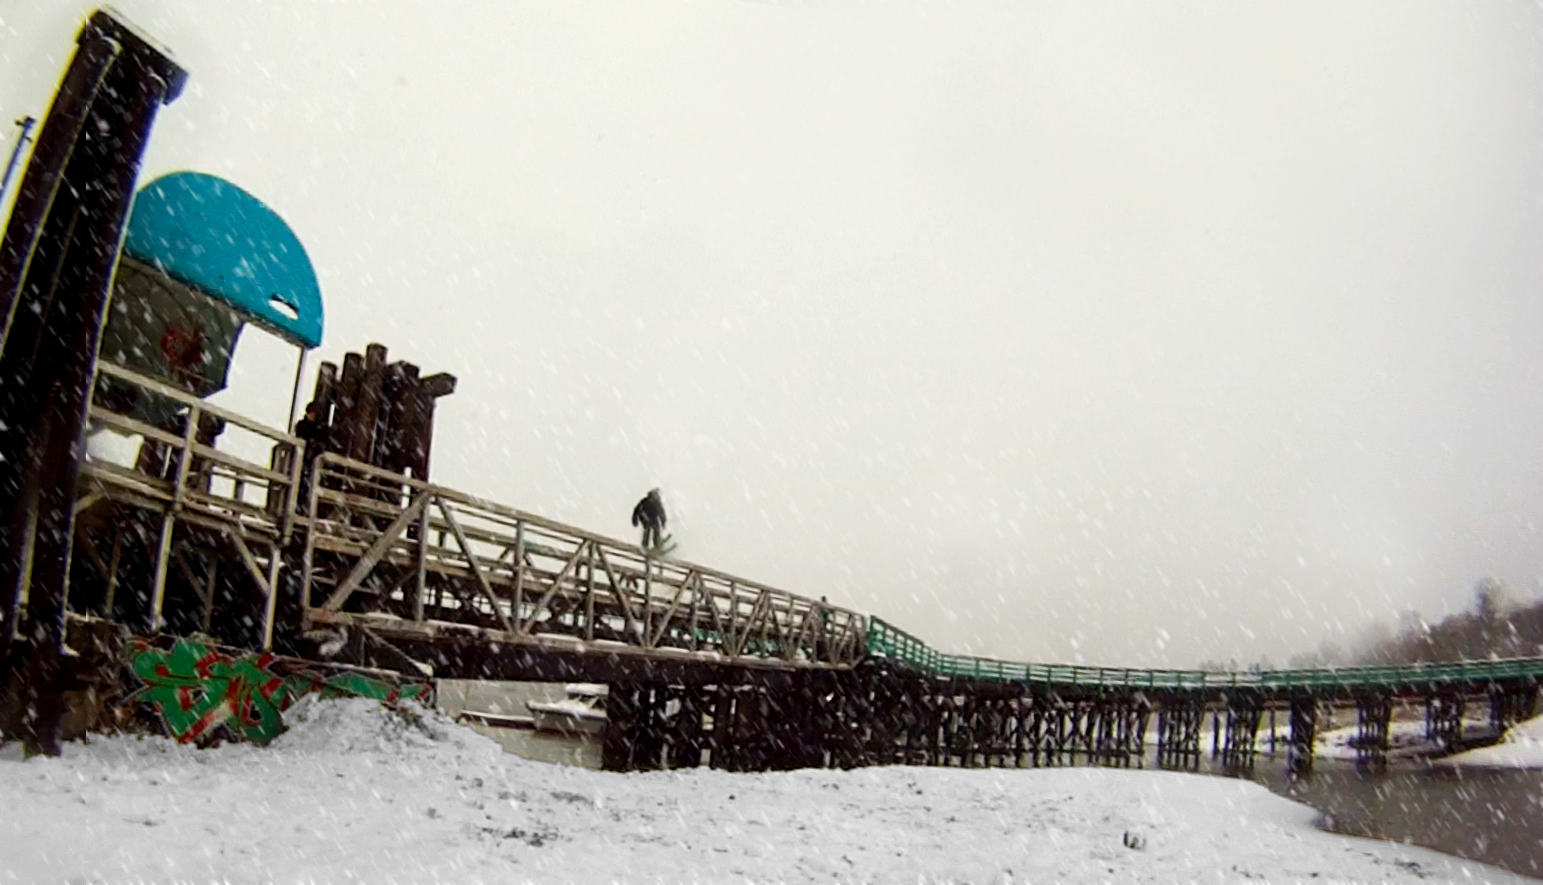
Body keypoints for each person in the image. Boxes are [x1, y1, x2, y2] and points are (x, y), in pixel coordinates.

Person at [293, 401, 330, 508]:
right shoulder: (302, 425)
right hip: (303, 460)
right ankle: (299, 506)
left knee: (307, 486)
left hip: (310, 462)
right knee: (301, 485)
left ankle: (302, 507)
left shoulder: (320, 429)